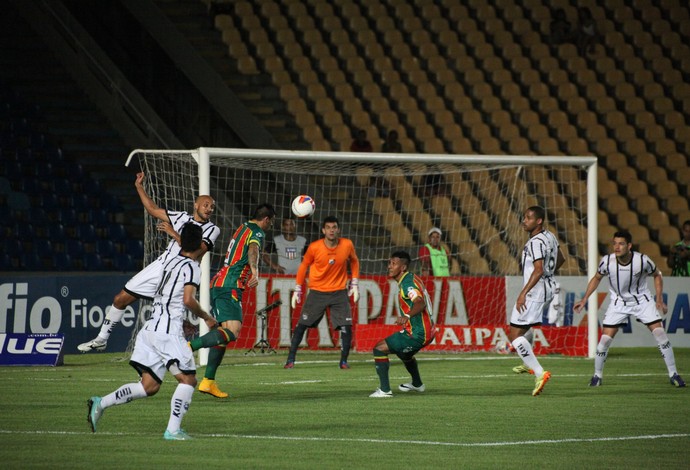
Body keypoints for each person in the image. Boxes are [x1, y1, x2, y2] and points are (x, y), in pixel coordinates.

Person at [86, 223, 218, 440]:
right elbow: (187, 299)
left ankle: (101, 402)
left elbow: (171, 297)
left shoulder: (169, 262)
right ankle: (173, 431)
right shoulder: (192, 267)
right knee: (188, 381)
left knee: (149, 386)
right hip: (167, 332)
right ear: (199, 244)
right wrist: (207, 318)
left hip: (150, 329)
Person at [78, 172, 219, 353]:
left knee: (170, 311)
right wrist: (139, 186)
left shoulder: (212, 229)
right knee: (120, 299)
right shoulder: (181, 217)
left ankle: (177, 350)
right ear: (196, 205)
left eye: (212, 207)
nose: (209, 209)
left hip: (180, 270)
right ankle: (101, 339)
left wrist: (173, 233)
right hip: (160, 266)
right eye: (206, 205)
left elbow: (195, 251)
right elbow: (152, 209)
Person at [573, 230, 685, 388]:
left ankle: (674, 374)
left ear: (629, 246)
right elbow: (597, 278)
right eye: (614, 243)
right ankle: (597, 376)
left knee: (660, 333)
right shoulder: (607, 261)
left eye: (621, 243)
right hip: (618, 302)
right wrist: (585, 299)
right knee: (604, 340)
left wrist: (659, 298)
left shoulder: (642, 260)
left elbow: (657, 274)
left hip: (642, 301)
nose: (617, 247)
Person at [188, 204, 276, 398]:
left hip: (221, 282)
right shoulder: (257, 232)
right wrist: (254, 270)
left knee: (224, 334)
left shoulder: (243, 227)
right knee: (232, 331)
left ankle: (208, 381)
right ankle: (187, 349)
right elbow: (253, 248)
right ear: (267, 219)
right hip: (230, 285)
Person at [284, 216, 360, 369]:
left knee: (346, 326)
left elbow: (354, 261)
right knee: (302, 325)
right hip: (317, 292)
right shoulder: (314, 247)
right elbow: (303, 265)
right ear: (323, 230)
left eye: (334, 227)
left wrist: (355, 282)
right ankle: (290, 359)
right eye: (328, 227)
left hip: (339, 292)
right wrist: (298, 288)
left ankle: (344, 361)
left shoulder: (347, 244)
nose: (331, 230)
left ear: (338, 229)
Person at [509, 206, 565, 396]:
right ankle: (527, 362)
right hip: (548, 288)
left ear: (538, 221)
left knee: (515, 337)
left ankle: (540, 372)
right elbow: (562, 259)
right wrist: (549, 275)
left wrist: (523, 292)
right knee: (523, 328)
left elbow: (538, 269)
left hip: (535, 293)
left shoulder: (535, 242)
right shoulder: (550, 236)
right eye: (524, 217)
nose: (524, 221)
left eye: (528, 218)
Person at [370, 251, 436, 398]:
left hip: (418, 333)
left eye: (394, 264)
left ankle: (385, 390)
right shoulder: (411, 278)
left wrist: (406, 316)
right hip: (429, 331)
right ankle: (417, 384)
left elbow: (420, 303)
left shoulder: (407, 283)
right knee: (404, 353)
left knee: (379, 349)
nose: (389, 266)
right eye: (389, 263)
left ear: (403, 267)